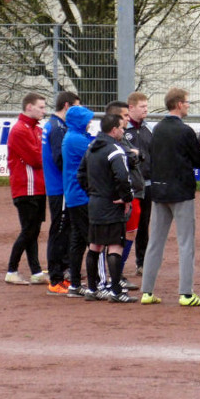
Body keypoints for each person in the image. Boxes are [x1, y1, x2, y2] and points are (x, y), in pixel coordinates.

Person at [140, 88, 200, 307]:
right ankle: (186, 293)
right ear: (178, 104)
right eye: (187, 102)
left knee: (155, 242)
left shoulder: (157, 129)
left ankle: (147, 291)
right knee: (186, 243)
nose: (188, 105)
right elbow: (199, 160)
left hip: (159, 191)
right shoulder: (185, 131)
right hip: (180, 192)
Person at [77, 114, 137, 303]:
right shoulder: (115, 150)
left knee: (94, 246)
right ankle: (117, 291)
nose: (123, 131)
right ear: (113, 130)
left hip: (95, 203)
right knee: (115, 246)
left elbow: (80, 175)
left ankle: (92, 289)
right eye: (121, 128)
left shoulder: (91, 148)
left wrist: (93, 193)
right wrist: (126, 198)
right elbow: (122, 177)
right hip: (111, 204)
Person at [5, 93, 49, 286]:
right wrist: (45, 155)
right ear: (29, 107)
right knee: (29, 230)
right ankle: (12, 270)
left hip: (38, 187)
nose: (44, 110)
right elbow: (36, 159)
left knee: (33, 230)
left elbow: (41, 155)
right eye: (40, 107)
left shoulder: (36, 129)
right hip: (26, 188)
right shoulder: (19, 130)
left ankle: (36, 271)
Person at [41, 91, 80, 294]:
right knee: (59, 231)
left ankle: (61, 273)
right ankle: (55, 278)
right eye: (75, 107)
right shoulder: (58, 128)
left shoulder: (54, 125)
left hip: (58, 187)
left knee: (62, 230)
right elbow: (60, 159)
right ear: (66, 106)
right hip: (60, 187)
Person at [103, 101, 142, 293]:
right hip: (120, 194)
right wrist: (133, 154)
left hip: (131, 191)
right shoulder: (112, 140)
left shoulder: (122, 138)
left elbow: (136, 156)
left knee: (129, 232)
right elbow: (129, 158)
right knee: (116, 235)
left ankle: (117, 272)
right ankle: (112, 275)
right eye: (125, 116)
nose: (128, 118)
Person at [62, 104, 95, 298]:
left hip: (75, 194)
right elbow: (97, 154)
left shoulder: (74, 136)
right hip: (81, 195)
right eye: (87, 119)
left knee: (78, 241)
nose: (90, 122)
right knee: (92, 239)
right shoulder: (76, 139)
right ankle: (95, 284)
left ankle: (75, 284)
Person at [125, 92, 153, 276]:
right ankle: (117, 262)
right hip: (130, 186)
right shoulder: (123, 130)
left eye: (146, 106)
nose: (146, 109)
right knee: (127, 226)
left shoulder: (149, 129)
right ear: (131, 108)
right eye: (142, 106)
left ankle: (142, 262)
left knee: (144, 225)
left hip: (148, 184)